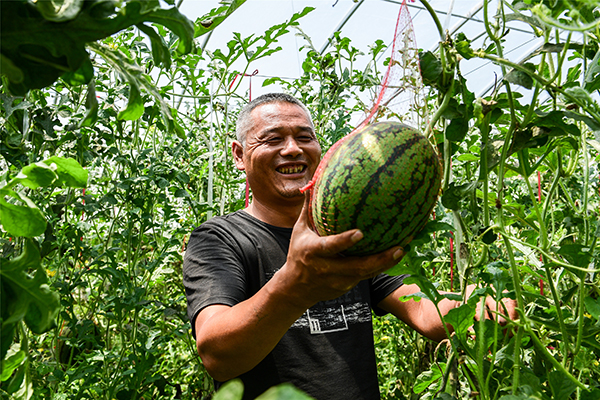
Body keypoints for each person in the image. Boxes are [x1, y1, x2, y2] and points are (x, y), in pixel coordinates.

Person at [183, 93, 516, 400]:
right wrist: (296, 286)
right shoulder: (219, 239)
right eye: (273, 139)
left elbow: (422, 310)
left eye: (304, 137)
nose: (293, 149)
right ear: (239, 155)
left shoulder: (349, 234)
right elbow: (217, 355)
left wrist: (471, 305)